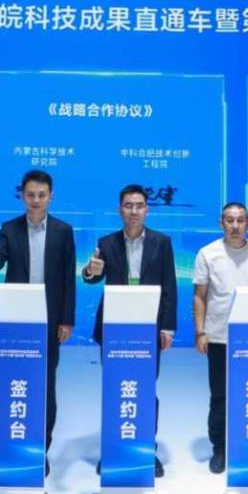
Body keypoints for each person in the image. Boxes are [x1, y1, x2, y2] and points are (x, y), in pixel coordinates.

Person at [0, 169, 76, 476]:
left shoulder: (63, 230)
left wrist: (66, 320)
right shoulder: (10, 228)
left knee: (45, 384)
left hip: (50, 319)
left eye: (41, 195)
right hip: (17, 318)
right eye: (30, 195)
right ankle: (15, 440)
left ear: (51, 196)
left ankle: (40, 447)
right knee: (16, 380)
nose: (36, 200)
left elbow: (68, 278)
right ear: (22, 196)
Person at [83, 184, 177, 478]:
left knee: (146, 389)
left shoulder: (162, 243)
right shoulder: (107, 242)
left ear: (146, 210)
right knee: (116, 388)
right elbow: (91, 277)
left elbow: (169, 287)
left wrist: (167, 326)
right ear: (119, 209)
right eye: (128, 205)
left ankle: (146, 450)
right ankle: (113, 450)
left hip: (148, 328)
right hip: (115, 328)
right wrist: (91, 270)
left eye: (139, 205)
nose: (134, 211)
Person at [192, 202, 248, 475]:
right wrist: (200, 331)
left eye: (240, 220)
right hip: (218, 335)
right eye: (229, 220)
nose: (235, 225)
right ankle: (220, 447)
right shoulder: (208, 253)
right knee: (220, 395)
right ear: (221, 223)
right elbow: (199, 296)